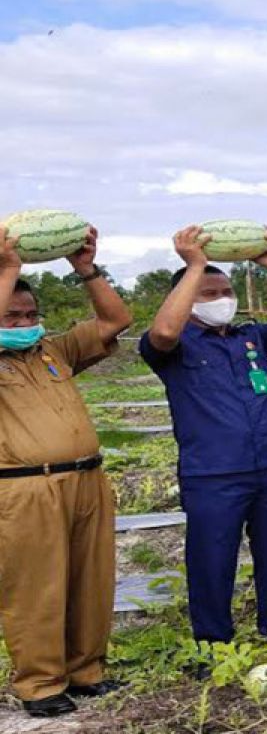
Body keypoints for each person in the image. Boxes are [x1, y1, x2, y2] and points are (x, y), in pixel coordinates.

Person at [140, 226, 267, 651]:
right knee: (211, 562)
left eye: (225, 290)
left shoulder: (251, 337)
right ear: (185, 301)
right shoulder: (172, 346)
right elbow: (164, 331)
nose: (222, 298)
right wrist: (195, 266)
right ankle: (213, 644)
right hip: (214, 475)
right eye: (208, 293)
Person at [0, 223, 131, 718]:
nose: (25, 320)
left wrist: (86, 270)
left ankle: (87, 671)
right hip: (24, 490)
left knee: (90, 581)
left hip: (86, 480)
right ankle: (39, 684)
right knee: (36, 587)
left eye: (32, 312)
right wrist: (9, 267)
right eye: (14, 312)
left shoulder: (53, 351)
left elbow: (115, 319)